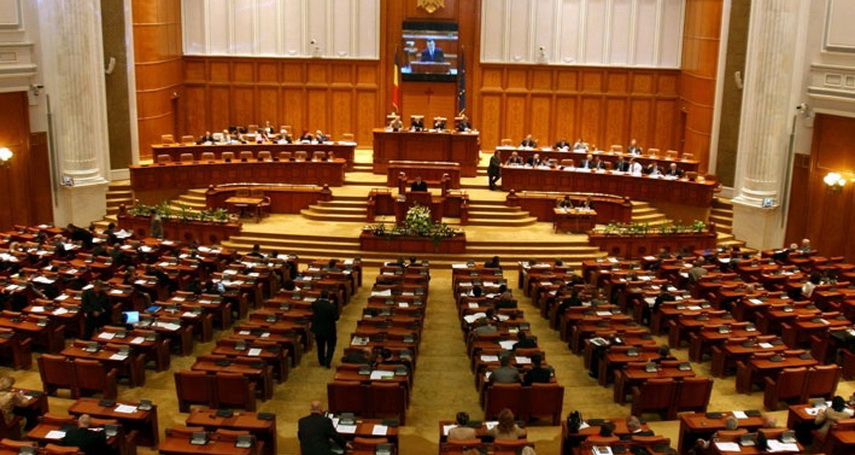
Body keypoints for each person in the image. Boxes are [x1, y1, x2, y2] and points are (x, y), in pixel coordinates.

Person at [311, 290, 339, 368]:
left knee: (320, 346)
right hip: (329, 329)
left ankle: (321, 361)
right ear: (328, 297)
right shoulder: (331, 306)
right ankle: (328, 361)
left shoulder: (315, 304)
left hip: (318, 329)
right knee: (331, 346)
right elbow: (336, 318)